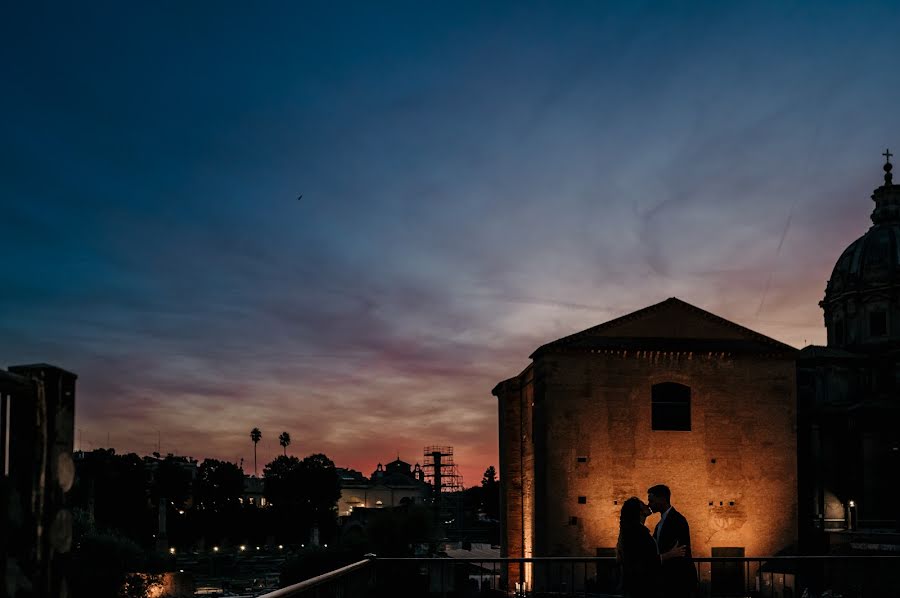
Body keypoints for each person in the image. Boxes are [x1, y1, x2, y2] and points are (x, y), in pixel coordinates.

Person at [617, 497, 685, 598]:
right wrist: (670, 554)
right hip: (641, 587)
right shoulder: (636, 532)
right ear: (639, 512)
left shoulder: (635, 530)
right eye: (643, 504)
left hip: (638, 585)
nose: (647, 505)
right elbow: (644, 562)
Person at [647, 485, 698, 598]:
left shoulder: (678, 520)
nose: (649, 504)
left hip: (676, 581)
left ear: (662, 499)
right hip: (667, 582)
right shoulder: (660, 524)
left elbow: (682, 553)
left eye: (651, 500)